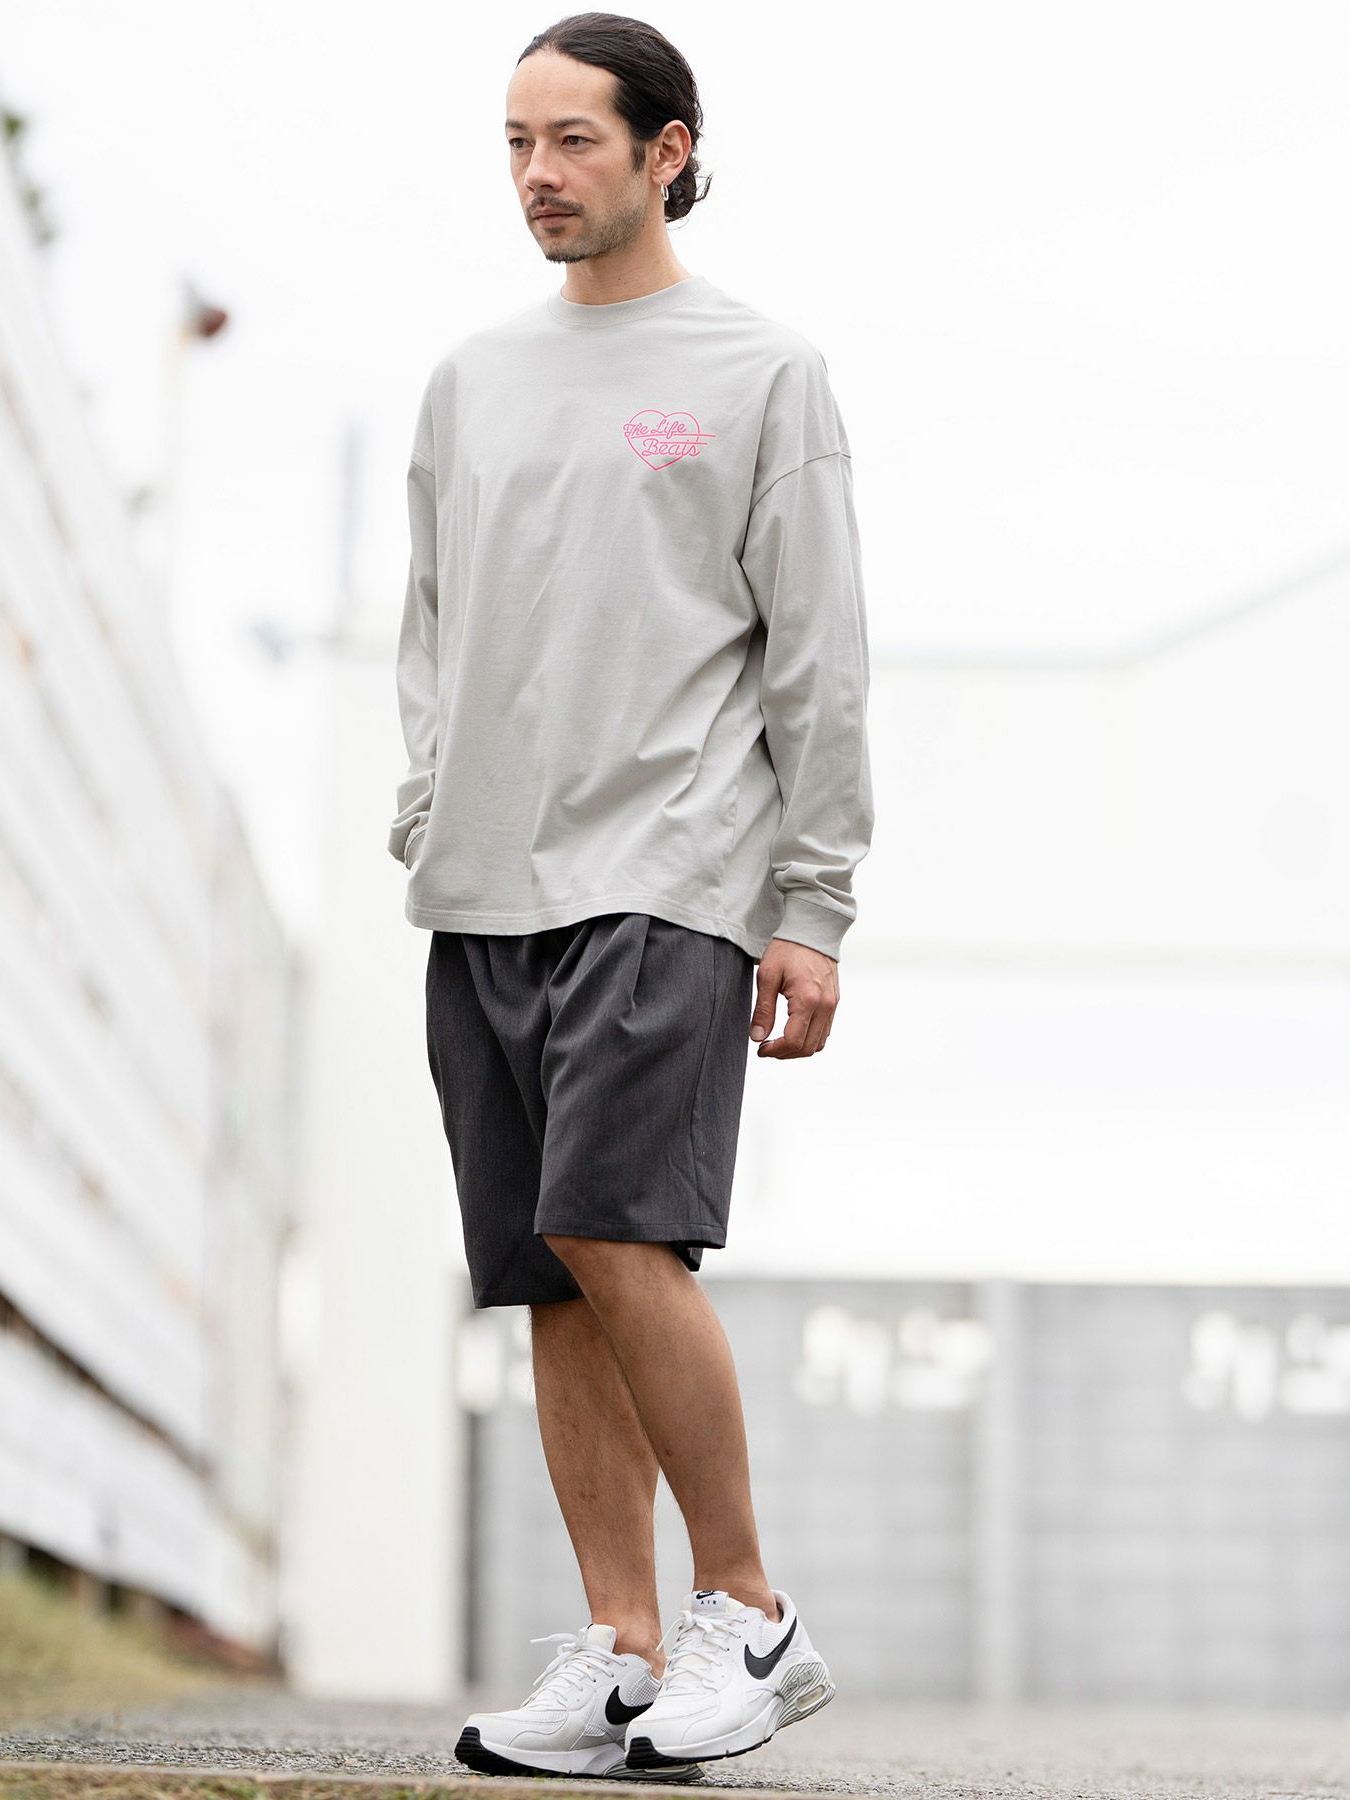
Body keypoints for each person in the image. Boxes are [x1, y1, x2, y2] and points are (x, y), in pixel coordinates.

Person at [386, 9, 872, 1781]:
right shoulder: (472, 379)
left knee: (614, 1225)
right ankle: (618, 1650)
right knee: (547, 1269)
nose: (536, 174)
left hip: (670, 867)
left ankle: (752, 1612)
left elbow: (818, 657)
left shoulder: (760, 373)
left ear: (670, 149)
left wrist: (812, 902)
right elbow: (432, 620)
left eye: (573, 139)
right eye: (516, 142)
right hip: (484, 881)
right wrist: (425, 809)